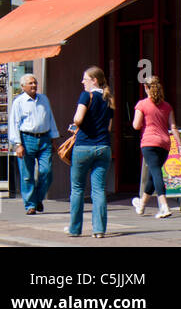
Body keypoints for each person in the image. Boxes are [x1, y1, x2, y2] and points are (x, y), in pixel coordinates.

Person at [66, 66, 114, 238]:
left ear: (94, 80)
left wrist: (78, 125)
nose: (82, 82)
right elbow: (109, 127)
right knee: (99, 189)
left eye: (85, 79)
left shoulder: (87, 95)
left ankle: (74, 229)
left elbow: (78, 118)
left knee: (78, 188)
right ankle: (99, 229)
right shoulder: (109, 99)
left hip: (83, 147)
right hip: (103, 147)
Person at [132, 76, 181, 219]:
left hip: (149, 142)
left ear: (146, 88)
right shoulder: (167, 106)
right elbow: (173, 126)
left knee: (156, 172)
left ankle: (163, 205)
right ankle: (141, 205)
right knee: (153, 176)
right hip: (165, 143)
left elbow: (136, 125)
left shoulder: (142, 104)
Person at [10, 73, 59, 215]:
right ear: (23, 87)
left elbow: (50, 118)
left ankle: (38, 198)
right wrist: (18, 144)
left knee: (47, 171)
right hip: (27, 139)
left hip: (44, 139)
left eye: (35, 83)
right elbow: (14, 123)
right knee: (27, 174)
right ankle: (30, 205)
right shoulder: (19, 102)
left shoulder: (44, 99)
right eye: (30, 83)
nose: (33, 86)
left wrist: (54, 138)